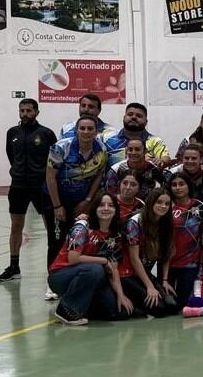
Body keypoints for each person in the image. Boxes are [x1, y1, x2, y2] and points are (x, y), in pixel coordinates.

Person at [44, 115, 110, 299]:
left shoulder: (101, 149)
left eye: (90, 129)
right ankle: (52, 281)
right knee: (56, 239)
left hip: (81, 202)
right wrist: (57, 206)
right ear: (77, 130)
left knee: (77, 241)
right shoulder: (61, 147)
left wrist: (88, 200)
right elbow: (50, 176)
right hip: (58, 199)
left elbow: (98, 175)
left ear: (96, 131)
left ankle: (74, 280)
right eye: (83, 128)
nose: (86, 132)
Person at [47, 192, 134, 325]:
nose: (106, 208)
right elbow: (73, 258)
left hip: (92, 277)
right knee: (96, 269)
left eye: (110, 205)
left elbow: (113, 269)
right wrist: (104, 261)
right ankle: (66, 311)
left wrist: (121, 295)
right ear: (94, 208)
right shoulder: (82, 226)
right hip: (61, 275)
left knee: (120, 312)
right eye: (101, 205)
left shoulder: (115, 235)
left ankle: (83, 306)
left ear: (116, 210)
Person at [0, 98, 56, 283]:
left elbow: (54, 160)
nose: (25, 114)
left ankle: (54, 267)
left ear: (36, 112)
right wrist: (18, 172)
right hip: (18, 186)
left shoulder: (46, 134)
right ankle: (14, 266)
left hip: (41, 187)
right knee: (16, 226)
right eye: (22, 110)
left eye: (29, 111)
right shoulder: (12, 133)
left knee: (50, 226)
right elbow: (11, 155)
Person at [160, 173, 203, 307]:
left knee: (182, 304)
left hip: (190, 264)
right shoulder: (165, 207)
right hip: (168, 263)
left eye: (181, 184)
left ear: (188, 186)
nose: (177, 188)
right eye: (174, 185)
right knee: (168, 305)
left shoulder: (200, 207)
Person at [121, 188, 169, 316]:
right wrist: (149, 286)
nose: (163, 206)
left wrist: (164, 280)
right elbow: (134, 259)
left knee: (172, 306)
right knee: (159, 309)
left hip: (144, 272)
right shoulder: (135, 222)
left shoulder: (164, 222)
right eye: (159, 202)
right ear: (151, 202)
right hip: (128, 273)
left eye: (167, 204)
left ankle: (137, 302)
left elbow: (167, 253)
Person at [101, 103, 170, 168]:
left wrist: (162, 161)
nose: (134, 117)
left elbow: (165, 158)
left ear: (146, 122)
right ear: (124, 118)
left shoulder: (155, 141)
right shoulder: (107, 138)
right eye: (130, 114)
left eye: (139, 116)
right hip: (112, 179)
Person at [167, 143, 203, 208]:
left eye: (194, 158)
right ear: (182, 159)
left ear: (201, 160)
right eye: (186, 158)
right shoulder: (172, 173)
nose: (190, 161)